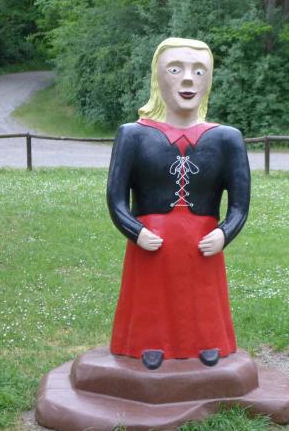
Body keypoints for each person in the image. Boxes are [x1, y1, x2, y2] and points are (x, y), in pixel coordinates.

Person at [106, 37, 250, 370]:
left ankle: (208, 341)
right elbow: (115, 198)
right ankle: (149, 342)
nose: (188, 79)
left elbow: (240, 204)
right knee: (151, 293)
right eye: (175, 69)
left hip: (202, 239)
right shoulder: (133, 135)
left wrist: (224, 233)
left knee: (202, 292)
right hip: (151, 240)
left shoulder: (227, 139)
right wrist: (136, 231)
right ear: (158, 77)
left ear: (209, 79)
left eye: (199, 71)